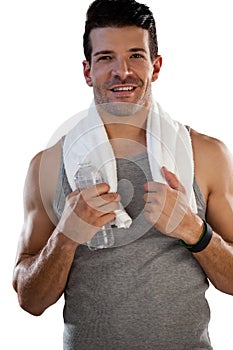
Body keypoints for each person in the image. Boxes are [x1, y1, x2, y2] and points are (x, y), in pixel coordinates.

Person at [13, 0, 233, 349]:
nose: (122, 71)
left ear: (156, 66)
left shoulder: (206, 154)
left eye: (135, 55)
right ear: (87, 72)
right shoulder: (49, 165)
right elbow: (30, 300)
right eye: (105, 59)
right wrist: (66, 237)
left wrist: (194, 231)